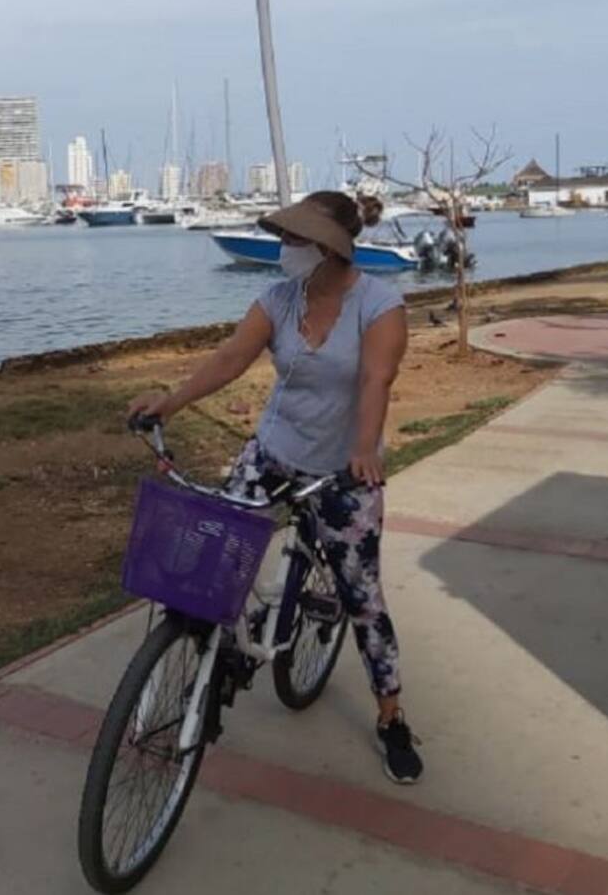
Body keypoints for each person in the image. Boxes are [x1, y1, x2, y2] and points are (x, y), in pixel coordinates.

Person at [129, 191, 423, 784]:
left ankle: (391, 716)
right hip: (274, 451)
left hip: (343, 469)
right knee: (213, 557)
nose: (286, 249)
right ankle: (215, 649)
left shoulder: (380, 305)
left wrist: (365, 446)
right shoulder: (278, 299)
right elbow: (232, 356)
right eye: (286, 237)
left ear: (328, 247)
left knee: (362, 598)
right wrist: (173, 401)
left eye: (297, 240)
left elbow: (377, 378)